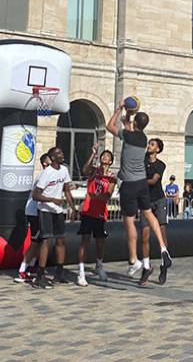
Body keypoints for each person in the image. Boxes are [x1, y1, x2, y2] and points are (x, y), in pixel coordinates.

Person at [106, 101, 172, 279]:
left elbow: (109, 126)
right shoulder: (142, 138)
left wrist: (120, 108)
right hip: (142, 183)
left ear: (135, 124)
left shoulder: (128, 135)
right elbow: (127, 124)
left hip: (129, 183)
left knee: (128, 221)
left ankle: (134, 259)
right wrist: (129, 115)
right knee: (149, 214)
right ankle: (163, 248)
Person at [32, 147, 77, 289]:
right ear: (52, 157)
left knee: (61, 240)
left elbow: (67, 190)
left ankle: (59, 273)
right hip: (45, 210)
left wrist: (73, 208)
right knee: (46, 241)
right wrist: (52, 199)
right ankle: (40, 276)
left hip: (58, 211)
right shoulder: (46, 173)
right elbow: (36, 195)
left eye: (62, 152)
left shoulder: (64, 170)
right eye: (58, 153)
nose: (62, 155)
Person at [76, 144, 117, 287]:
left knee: (100, 242)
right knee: (85, 240)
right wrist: (93, 153)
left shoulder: (111, 177)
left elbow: (108, 195)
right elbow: (85, 170)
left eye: (108, 156)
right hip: (88, 210)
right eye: (103, 155)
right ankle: (81, 272)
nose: (105, 157)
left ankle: (99, 265)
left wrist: (96, 195)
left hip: (100, 212)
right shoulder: (94, 171)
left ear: (111, 161)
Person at [14, 153, 52, 283]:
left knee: (42, 241)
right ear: (45, 164)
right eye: (50, 160)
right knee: (36, 242)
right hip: (34, 212)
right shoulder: (43, 175)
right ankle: (22, 270)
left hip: (40, 212)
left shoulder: (50, 174)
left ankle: (32, 267)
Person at [139, 138, 167, 286]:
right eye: (148, 143)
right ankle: (146, 266)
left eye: (152, 144)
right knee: (144, 235)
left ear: (158, 149)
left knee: (161, 233)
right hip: (145, 201)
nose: (149, 146)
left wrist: (137, 181)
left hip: (159, 200)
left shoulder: (160, 165)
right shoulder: (141, 161)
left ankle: (164, 264)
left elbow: (153, 181)